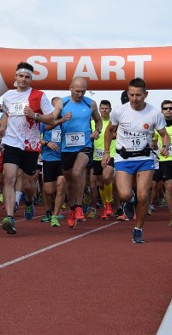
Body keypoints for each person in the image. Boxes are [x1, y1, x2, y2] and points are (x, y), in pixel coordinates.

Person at [104, 78, 171, 244]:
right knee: (125, 194)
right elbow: (108, 131)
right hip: (123, 158)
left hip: (144, 158)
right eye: (131, 95)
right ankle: (129, 200)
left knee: (143, 195)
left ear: (146, 95)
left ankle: (138, 229)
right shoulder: (119, 111)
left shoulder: (154, 113)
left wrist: (166, 146)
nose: (135, 98)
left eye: (138, 95)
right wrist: (106, 152)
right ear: (128, 94)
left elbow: (164, 135)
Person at [0, 62, 57, 234]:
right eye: (20, 76)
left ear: (31, 79)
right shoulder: (7, 96)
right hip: (11, 143)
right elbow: (7, 114)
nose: (23, 79)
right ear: (15, 77)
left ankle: (28, 201)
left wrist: (35, 115)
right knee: (9, 178)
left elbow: (51, 119)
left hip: (30, 145)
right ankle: (9, 217)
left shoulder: (39, 96)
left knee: (29, 183)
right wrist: (2, 127)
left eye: (27, 77)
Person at [59, 76, 102, 228]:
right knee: (69, 181)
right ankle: (71, 208)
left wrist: (97, 130)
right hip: (66, 147)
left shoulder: (90, 103)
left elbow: (98, 120)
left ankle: (78, 207)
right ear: (70, 87)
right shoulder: (61, 102)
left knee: (78, 172)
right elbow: (52, 119)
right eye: (77, 91)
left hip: (85, 144)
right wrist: (60, 120)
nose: (80, 94)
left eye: (83, 91)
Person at [39, 97, 66, 227]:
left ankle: (55, 215)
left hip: (63, 158)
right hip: (49, 158)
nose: (59, 108)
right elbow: (36, 137)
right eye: (56, 106)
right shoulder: (45, 121)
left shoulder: (67, 121)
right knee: (48, 190)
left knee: (61, 185)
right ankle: (49, 211)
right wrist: (46, 142)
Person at [90, 100, 117, 220]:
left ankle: (108, 204)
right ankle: (106, 204)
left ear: (110, 109)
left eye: (106, 108)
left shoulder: (114, 123)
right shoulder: (93, 123)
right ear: (99, 110)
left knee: (107, 178)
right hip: (97, 155)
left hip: (111, 154)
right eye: (102, 108)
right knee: (100, 183)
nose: (104, 110)